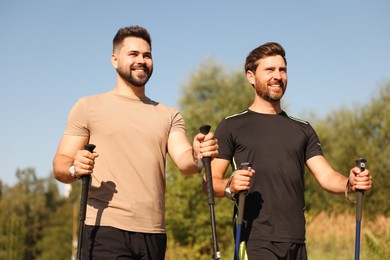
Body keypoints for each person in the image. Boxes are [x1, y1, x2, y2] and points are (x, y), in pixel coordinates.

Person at [53, 26, 218, 260]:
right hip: (104, 230)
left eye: (147, 55)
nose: (141, 60)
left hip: (153, 233)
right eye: (133, 54)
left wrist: (199, 154)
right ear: (114, 59)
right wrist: (74, 167)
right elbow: (60, 164)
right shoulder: (88, 106)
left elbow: (185, 161)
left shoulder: (168, 114)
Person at [206, 42, 373, 259]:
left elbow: (326, 176)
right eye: (269, 70)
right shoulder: (232, 125)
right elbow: (209, 183)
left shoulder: (302, 129)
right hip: (255, 239)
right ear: (250, 76)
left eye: (282, 70)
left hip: (296, 241)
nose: (278, 76)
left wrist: (350, 184)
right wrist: (230, 185)